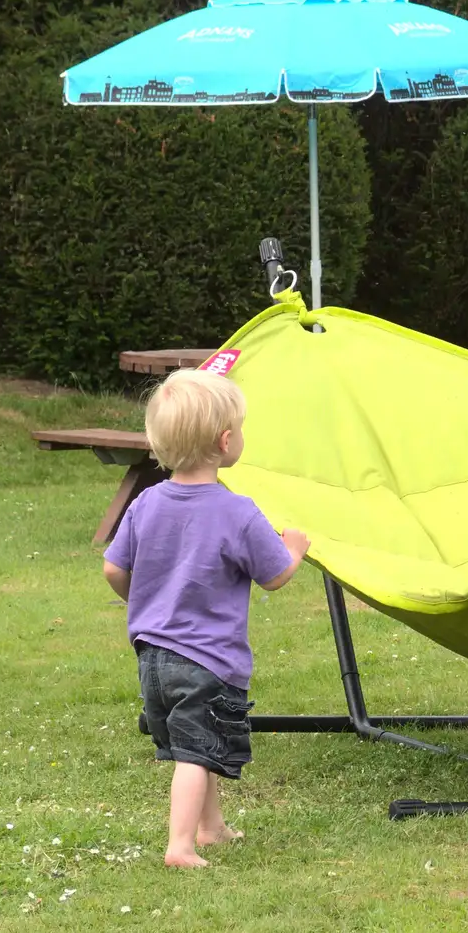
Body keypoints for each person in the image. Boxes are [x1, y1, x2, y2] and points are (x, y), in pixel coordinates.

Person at [102, 369, 309, 867]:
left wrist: (143, 604)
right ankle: (181, 845)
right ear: (225, 440)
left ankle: (212, 827)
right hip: (206, 660)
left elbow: (113, 567)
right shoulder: (236, 511)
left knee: (197, 738)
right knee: (194, 753)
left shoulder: (146, 502)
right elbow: (276, 576)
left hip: (152, 656)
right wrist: (294, 548)